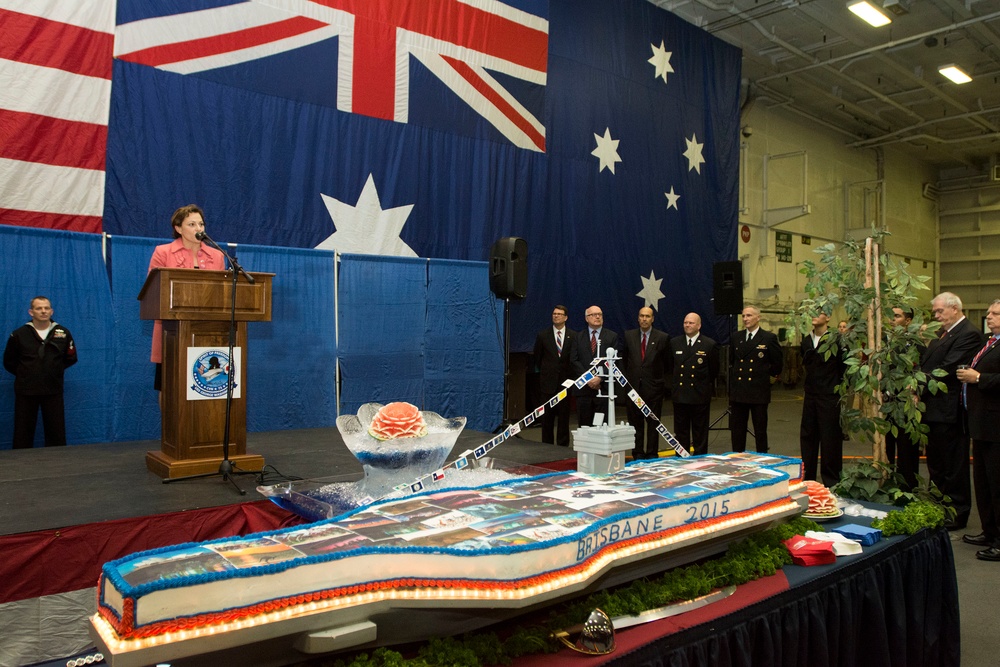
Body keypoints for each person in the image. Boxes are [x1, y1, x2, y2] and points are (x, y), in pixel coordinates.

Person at [920, 292, 982, 530]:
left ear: (954, 309)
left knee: (953, 464)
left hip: (949, 410)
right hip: (934, 408)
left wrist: (917, 382)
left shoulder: (968, 334)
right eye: (934, 312)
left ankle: (957, 512)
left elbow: (947, 368)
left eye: (939, 311)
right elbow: (928, 363)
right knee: (936, 463)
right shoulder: (941, 334)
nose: (936, 316)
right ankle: (939, 505)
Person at [148, 205, 226, 390]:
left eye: (201, 224)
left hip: (208, 331)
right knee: (169, 387)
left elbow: (222, 293)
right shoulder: (163, 252)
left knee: (206, 388)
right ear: (178, 228)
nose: (198, 228)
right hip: (172, 331)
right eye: (191, 224)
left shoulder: (217, 255)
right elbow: (153, 291)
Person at [957, 299, 1000, 560]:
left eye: (995, 313)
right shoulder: (989, 342)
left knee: (997, 485)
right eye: (988, 313)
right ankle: (989, 530)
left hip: (996, 426)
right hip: (981, 423)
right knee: (983, 483)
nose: (989, 317)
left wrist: (980, 378)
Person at [4, 296, 77, 448]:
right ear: (31, 312)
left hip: (53, 389)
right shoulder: (19, 334)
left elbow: (70, 358)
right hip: (26, 390)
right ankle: (20, 463)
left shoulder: (62, 333)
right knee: (22, 431)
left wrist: (53, 371)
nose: (43, 311)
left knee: (56, 431)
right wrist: (28, 373)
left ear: (52, 311)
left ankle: (57, 462)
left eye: (46, 308)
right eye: (39, 308)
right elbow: (9, 361)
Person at [799, 312, 845, 486]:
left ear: (828, 318)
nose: (814, 315)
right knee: (808, 436)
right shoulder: (806, 341)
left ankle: (831, 481)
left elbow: (844, 366)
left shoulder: (837, 340)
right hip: (810, 396)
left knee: (830, 438)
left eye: (820, 313)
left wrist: (837, 389)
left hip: (829, 396)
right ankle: (808, 478)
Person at [730, 306, 783, 453]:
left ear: (758, 317)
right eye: (743, 316)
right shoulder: (736, 337)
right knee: (737, 430)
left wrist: (765, 379)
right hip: (739, 392)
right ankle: (737, 457)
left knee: (760, 430)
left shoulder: (768, 338)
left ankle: (762, 458)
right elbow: (732, 362)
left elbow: (777, 364)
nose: (746, 319)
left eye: (749, 315)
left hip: (758, 391)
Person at [665, 312, 719, 456]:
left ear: (699, 325)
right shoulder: (674, 343)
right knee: (681, 431)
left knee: (699, 432)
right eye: (685, 322)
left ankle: (700, 459)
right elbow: (670, 367)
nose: (687, 325)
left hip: (699, 396)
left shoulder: (709, 344)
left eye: (691, 323)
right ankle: (682, 458)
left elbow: (713, 371)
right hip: (680, 395)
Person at [621, 307, 669, 459]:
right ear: (638, 318)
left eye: (647, 316)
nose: (644, 319)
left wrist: (661, 385)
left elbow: (667, 364)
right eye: (641, 316)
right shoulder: (629, 336)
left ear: (652, 319)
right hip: (634, 389)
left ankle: (652, 454)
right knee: (636, 424)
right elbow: (625, 360)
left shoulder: (662, 337)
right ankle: (638, 453)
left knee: (653, 424)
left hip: (653, 389)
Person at [885, 306, 923, 489]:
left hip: (906, 401)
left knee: (907, 448)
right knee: (887, 445)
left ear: (908, 321)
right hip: (887, 402)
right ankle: (887, 484)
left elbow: (919, 369)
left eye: (897, 316)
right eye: (891, 316)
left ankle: (908, 488)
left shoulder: (915, 344)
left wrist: (914, 391)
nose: (892, 319)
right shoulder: (884, 342)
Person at [533, 305, 577, 446]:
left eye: (559, 314)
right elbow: (537, 358)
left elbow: (574, 358)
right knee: (547, 417)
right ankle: (546, 446)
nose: (556, 316)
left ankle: (563, 446)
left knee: (564, 416)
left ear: (566, 317)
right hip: (548, 383)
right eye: (554, 313)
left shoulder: (573, 336)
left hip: (565, 383)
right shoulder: (543, 335)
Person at [571, 305, 619, 428]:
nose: (597, 317)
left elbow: (614, 362)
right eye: (593, 314)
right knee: (584, 427)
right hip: (584, 390)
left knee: (602, 426)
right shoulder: (577, 337)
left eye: (600, 314)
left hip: (603, 389)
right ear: (586, 318)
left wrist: (600, 378)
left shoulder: (612, 336)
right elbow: (574, 360)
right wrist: (589, 379)